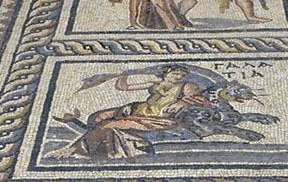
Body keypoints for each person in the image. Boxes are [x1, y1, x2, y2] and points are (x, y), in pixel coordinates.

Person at [45, 64, 207, 159]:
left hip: (157, 119)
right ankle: (101, 140)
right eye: (175, 73)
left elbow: (201, 100)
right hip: (138, 109)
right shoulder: (154, 83)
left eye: (181, 74)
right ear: (166, 73)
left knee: (108, 124)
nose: (178, 76)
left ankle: (73, 149)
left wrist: (182, 102)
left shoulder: (186, 86)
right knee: (97, 117)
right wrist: (123, 75)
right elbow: (123, 87)